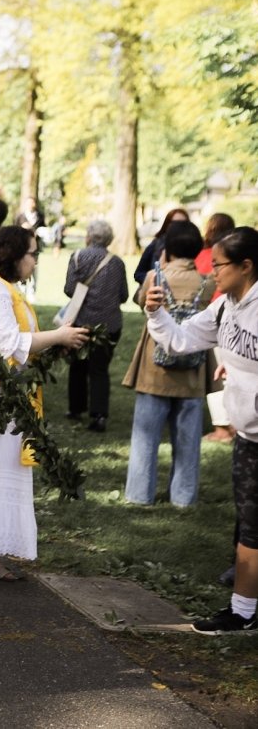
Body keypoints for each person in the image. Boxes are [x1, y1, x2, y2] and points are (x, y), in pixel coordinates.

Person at [144, 227, 258, 634]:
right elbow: (180, 340)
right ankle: (245, 609)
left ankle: (243, 611)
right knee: (249, 524)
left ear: (246, 266)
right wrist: (155, 312)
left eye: (220, 265)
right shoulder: (226, 306)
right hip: (248, 437)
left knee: (252, 527)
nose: (212, 271)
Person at [0, 227, 89, 580]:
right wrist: (59, 335)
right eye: (31, 253)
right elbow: (7, 342)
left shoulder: (8, 290)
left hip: (10, 395)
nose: (35, 260)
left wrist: (56, 342)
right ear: (11, 254)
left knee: (0, 472)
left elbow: (24, 344)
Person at [123, 221, 216, 506]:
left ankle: (140, 494)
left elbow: (141, 302)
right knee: (188, 437)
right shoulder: (207, 281)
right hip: (193, 367)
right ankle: (184, 496)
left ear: (167, 248)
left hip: (155, 366)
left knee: (145, 436)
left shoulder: (155, 277)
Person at [63, 219, 129, 432]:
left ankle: (76, 408)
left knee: (78, 367)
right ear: (109, 239)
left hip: (81, 322)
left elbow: (69, 289)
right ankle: (99, 415)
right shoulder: (117, 262)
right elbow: (123, 295)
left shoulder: (78, 257)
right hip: (109, 324)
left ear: (89, 236)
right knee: (100, 370)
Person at [197, 212, 237, 443]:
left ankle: (223, 428)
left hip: (218, 319)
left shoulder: (204, 255)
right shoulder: (237, 256)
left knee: (218, 374)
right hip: (230, 316)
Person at [134, 207, 190, 284]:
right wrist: (155, 281)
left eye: (183, 224)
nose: (178, 227)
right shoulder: (156, 244)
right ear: (167, 224)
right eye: (174, 223)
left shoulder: (192, 247)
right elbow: (139, 274)